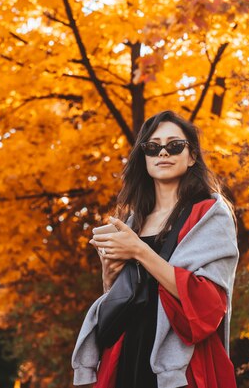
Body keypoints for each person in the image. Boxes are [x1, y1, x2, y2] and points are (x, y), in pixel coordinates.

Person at [71, 110, 239, 388]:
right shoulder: (133, 220)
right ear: (144, 157)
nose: (163, 153)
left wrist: (139, 251)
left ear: (192, 156)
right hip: (127, 351)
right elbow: (123, 295)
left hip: (179, 363)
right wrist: (109, 275)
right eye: (152, 147)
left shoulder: (210, 214)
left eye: (174, 145)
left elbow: (209, 305)